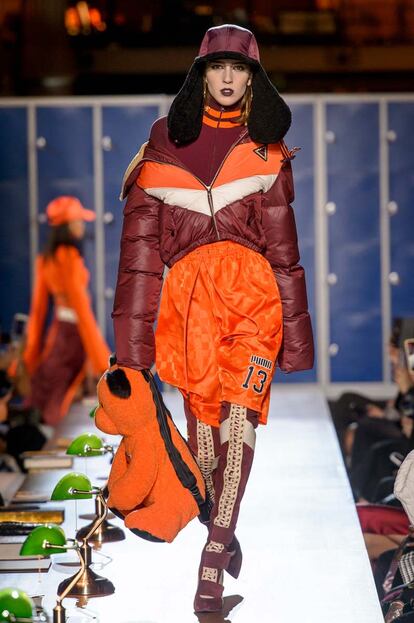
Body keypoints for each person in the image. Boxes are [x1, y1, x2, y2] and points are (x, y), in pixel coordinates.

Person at [112, 24, 314, 612]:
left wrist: (295, 338)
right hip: (188, 307)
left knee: (239, 423)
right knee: (205, 437)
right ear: (200, 75)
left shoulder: (265, 149)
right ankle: (219, 529)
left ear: (253, 78)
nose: (228, 78)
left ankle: (211, 569)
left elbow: (284, 252)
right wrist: (132, 356)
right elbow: (139, 261)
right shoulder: (161, 147)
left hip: (254, 301)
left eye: (239, 68)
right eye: (217, 67)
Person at [23, 196, 110, 427]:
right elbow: (81, 307)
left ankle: (34, 435)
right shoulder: (68, 257)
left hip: (59, 333)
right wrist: (101, 360)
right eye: (78, 221)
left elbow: (38, 311)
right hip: (72, 336)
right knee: (56, 395)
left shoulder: (46, 259)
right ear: (68, 226)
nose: (82, 226)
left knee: (48, 389)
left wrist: (30, 355)